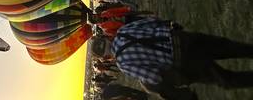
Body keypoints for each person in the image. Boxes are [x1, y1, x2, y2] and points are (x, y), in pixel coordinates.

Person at [91, 17, 253, 99]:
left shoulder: (122, 63)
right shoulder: (123, 31)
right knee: (227, 47)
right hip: (182, 38)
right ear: (107, 38)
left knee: (226, 79)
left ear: (106, 56)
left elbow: (153, 76)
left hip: (182, 60)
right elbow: (154, 22)